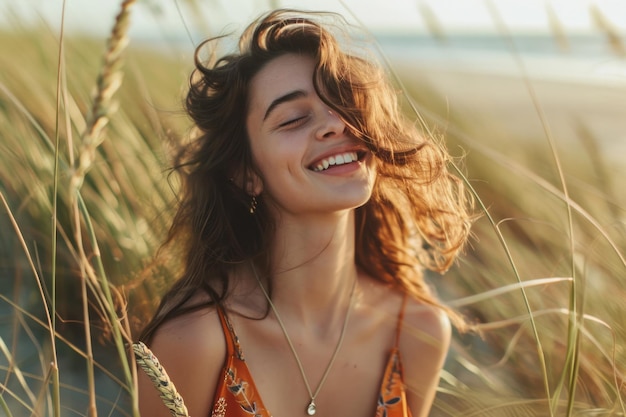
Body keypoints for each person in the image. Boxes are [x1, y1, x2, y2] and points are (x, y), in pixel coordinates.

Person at [135, 8, 473, 417]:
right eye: (293, 118)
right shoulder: (197, 338)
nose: (336, 123)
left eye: (345, 104)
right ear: (246, 174)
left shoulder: (417, 331)